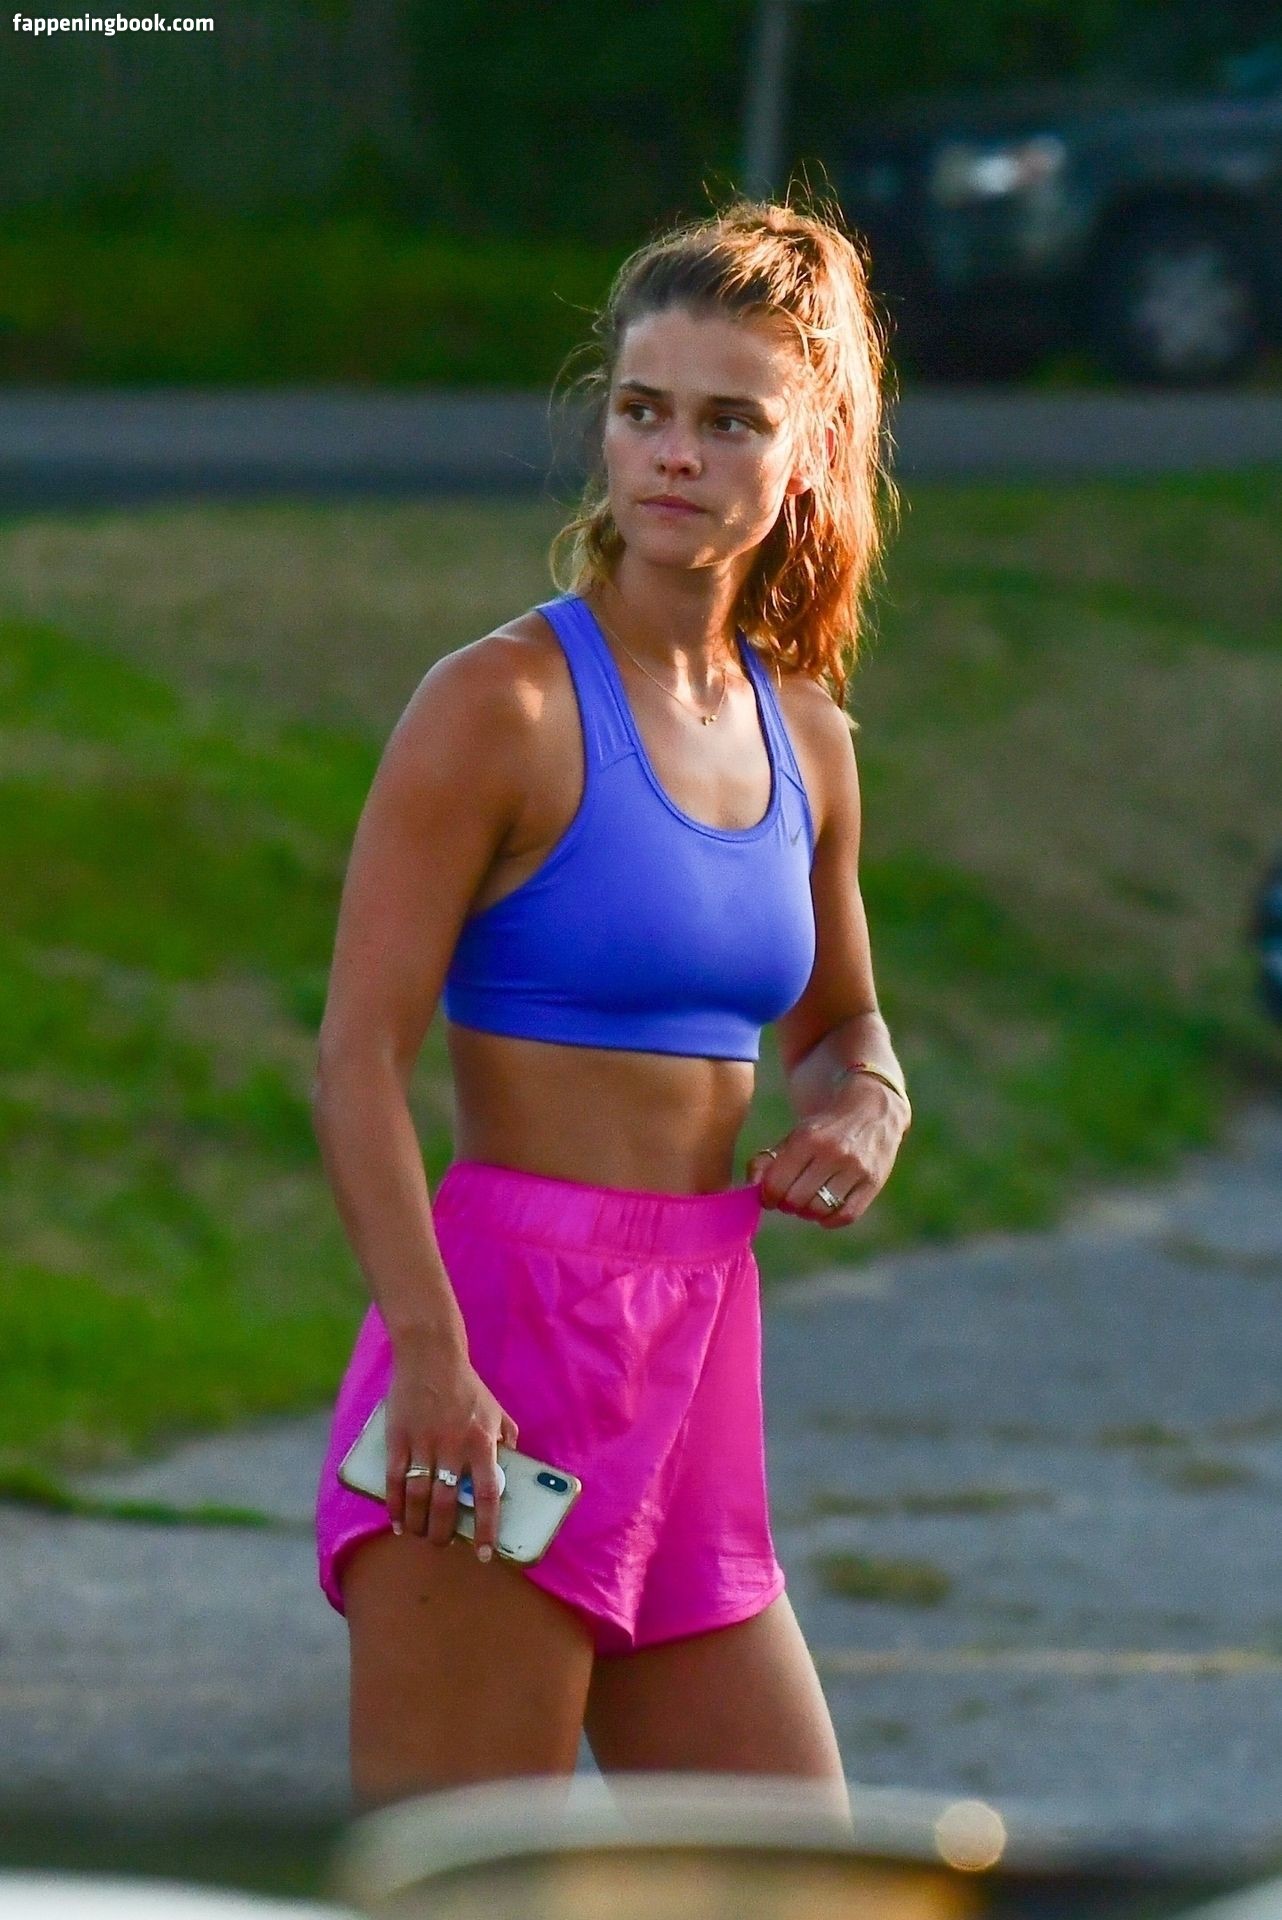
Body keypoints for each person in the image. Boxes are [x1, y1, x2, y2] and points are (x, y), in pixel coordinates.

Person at [311, 192, 912, 1819]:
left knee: (794, 1887)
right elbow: (356, 1058)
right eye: (644, 411)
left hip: (698, 1350)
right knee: (466, 1893)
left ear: (807, 454)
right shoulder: (497, 703)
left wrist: (866, 1105)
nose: (673, 456)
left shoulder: (808, 741)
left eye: (729, 422)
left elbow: (840, 1030)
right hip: (496, 1350)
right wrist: (429, 1355)